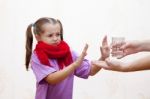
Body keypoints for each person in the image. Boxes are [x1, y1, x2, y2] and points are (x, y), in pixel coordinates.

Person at [25, 17, 108, 99]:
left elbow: (90, 71)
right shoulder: (36, 57)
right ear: (38, 37)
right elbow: (52, 79)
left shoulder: (68, 53)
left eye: (58, 34)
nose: (55, 38)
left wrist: (103, 58)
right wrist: (74, 65)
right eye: (50, 35)